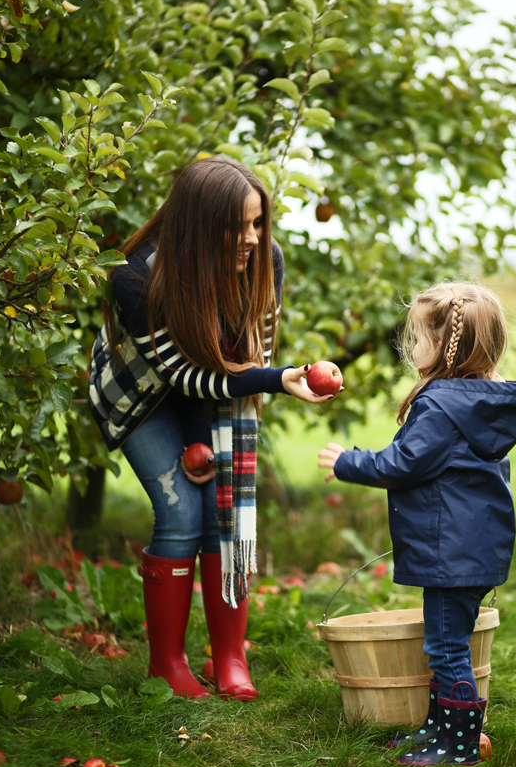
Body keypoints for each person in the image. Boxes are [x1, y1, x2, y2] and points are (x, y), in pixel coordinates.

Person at [89, 155, 335, 702]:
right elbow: (183, 375)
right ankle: (167, 665)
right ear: (200, 225)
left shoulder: (264, 259)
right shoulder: (135, 277)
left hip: (217, 391)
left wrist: (210, 443)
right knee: (179, 513)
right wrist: (276, 380)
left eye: (257, 222)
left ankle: (229, 657)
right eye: (237, 226)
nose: (252, 238)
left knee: (223, 512)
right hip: (143, 395)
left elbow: (251, 353)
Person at [318, 282, 516, 766]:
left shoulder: (440, 407)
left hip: (451, 552)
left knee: (446, 646)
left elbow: (404, 463)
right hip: (473, 549)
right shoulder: (480, 404)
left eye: (417, 338)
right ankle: (439, 729)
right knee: (445, 641)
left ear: (445, 348)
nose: (410, 347)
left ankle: (456, 746)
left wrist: (348, 462)